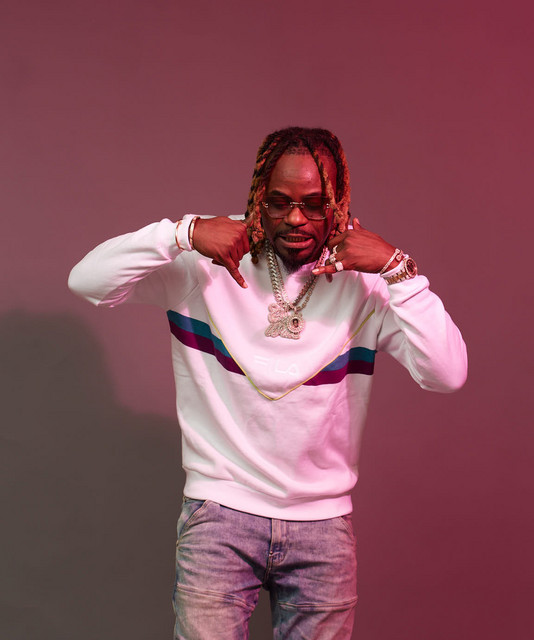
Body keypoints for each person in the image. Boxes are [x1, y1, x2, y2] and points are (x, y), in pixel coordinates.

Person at [68, 126, 467, 639]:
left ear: (339, 204)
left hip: (322, 527)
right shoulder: (205, 264)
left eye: (314, 204)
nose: (295, 218)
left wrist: (399, 270)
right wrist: (182, 233)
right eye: (279, 202)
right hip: (220, 514)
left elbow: (447, 374)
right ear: (259, 197)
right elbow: (87, 281)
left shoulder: (369, 282)